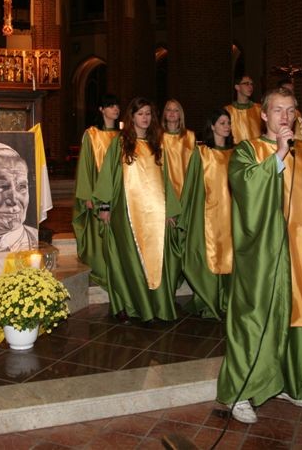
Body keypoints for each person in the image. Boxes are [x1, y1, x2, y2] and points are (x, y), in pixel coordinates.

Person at [216, 88, 302, 424]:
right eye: (278, 110)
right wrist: (278, 154)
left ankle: (285, 382)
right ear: (264, 114)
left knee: (296, 316)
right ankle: (240, 393)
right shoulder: (247, 150)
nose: (285, 117)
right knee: (256, 319)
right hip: (263, 255)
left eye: (291, 110)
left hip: (301, 254)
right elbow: (245, 187)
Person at [94, 97, 180, 322]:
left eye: (148, 113)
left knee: (155, 260)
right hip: (127, 212)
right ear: (131, 117)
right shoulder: (121, 143)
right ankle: (137, 307)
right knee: (130, 259)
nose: (145, 118)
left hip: (156, 213)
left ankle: (156, 307)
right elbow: (108, 176)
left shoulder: (157, 144)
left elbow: (166, 179)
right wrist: (105, 206)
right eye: (140, 113)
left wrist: (170, 210)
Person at [180, 109, 233, 319]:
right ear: (212, 126)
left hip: (231, 214)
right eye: (222, 122)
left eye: (228, 123)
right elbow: (191, 185)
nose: (227, 126)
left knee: (230, 255)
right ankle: (209, 299)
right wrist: (185, 213)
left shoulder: (236, 153)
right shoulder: (201, 153)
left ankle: (228, 298)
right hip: (208, 213)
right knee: (209, 254)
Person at [73, 94, 120, 288]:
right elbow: (85, 165)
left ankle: (117, 272)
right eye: (110, 105)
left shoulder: (123, 136)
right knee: (98, 236)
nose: (115, 109)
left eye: (117, 105)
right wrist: (86, 195)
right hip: (97, 195)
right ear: (101, 109)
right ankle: (101, 271)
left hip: (118, 195)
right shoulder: (91, 134)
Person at [160, 99, 196, 307]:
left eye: (176, 110)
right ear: (164, 114)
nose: (172, 113)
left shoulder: (189, 137)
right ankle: (169, 287)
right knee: (169, 245)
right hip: (166, 195)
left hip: (187, 194)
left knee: (187, 243)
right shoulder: (158, 137)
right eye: (169, 110)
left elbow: (195, 167)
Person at [224, 75, 261, 144]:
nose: (250, 87)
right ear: (237, 87)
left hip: (257, 148)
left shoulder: (259, 109)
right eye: (246, 84)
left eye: (251, 84)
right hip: (235, 149)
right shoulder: (228, 110)